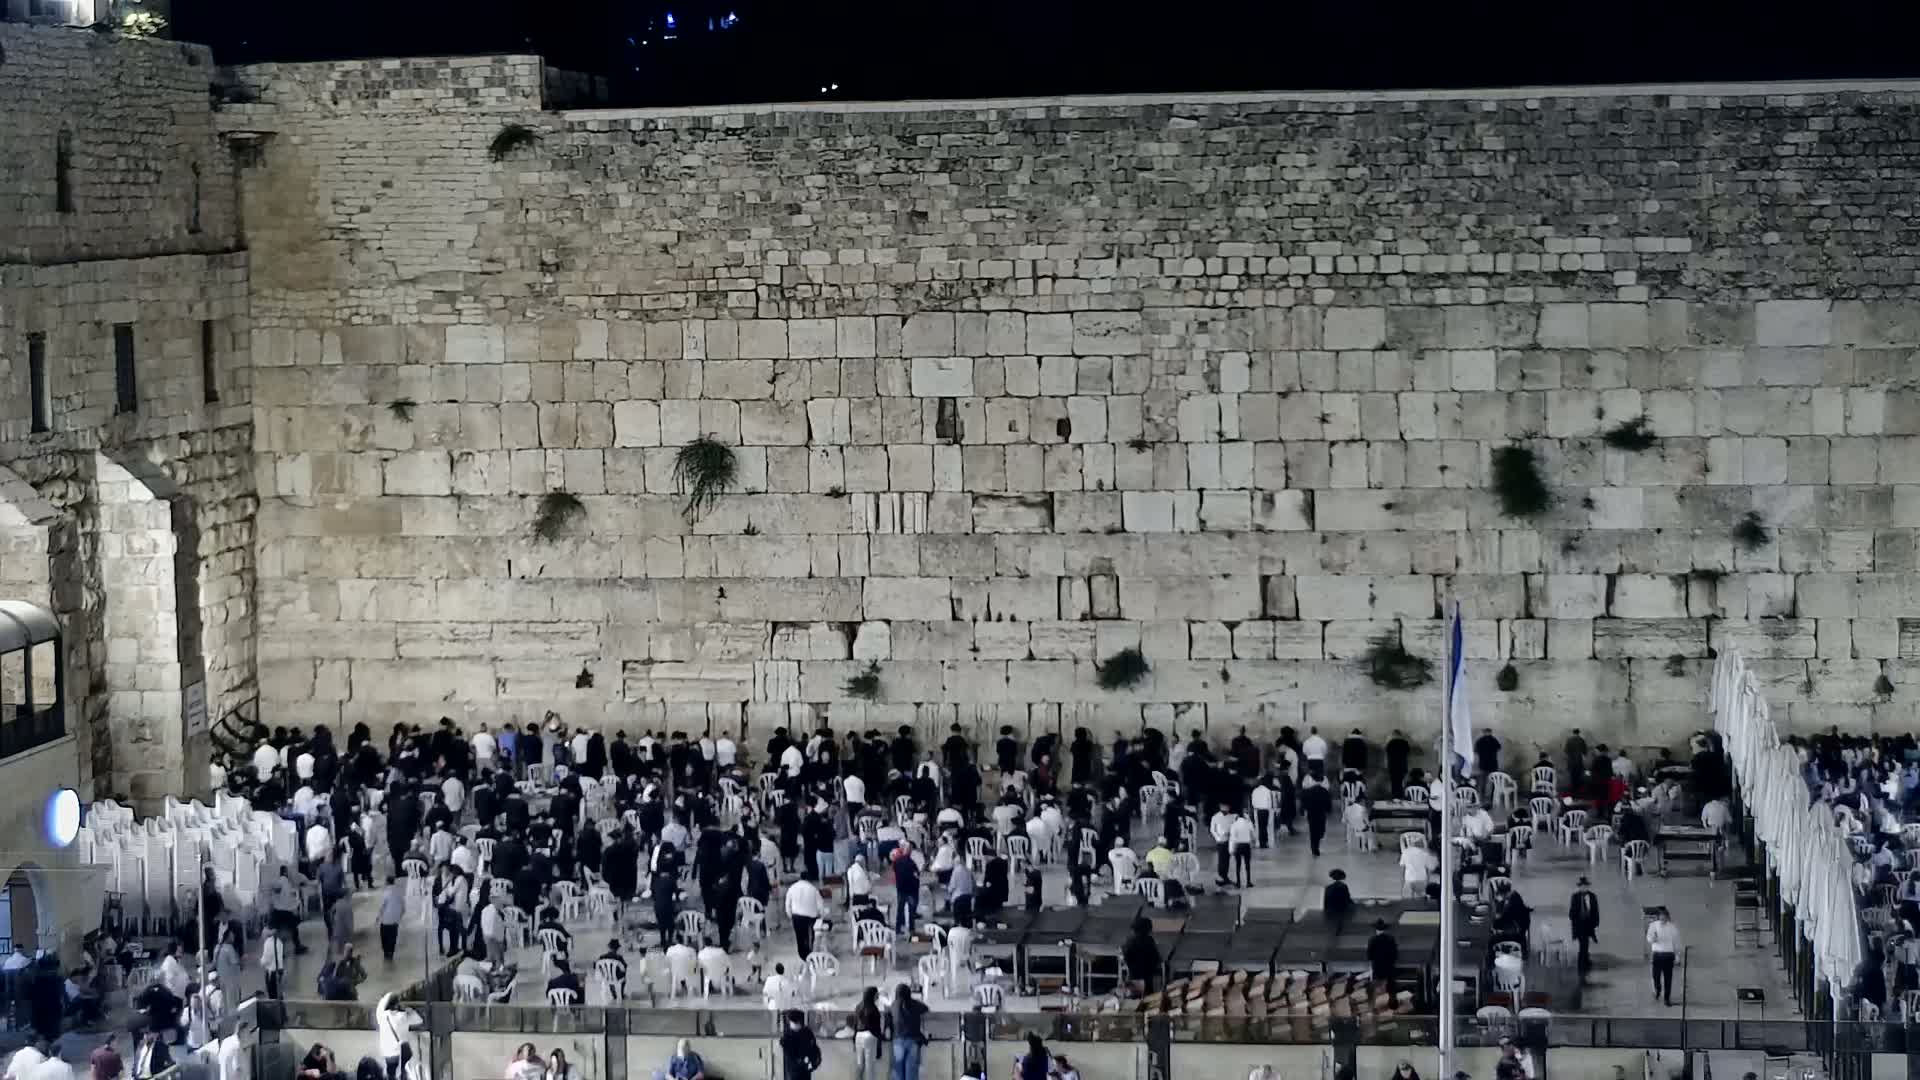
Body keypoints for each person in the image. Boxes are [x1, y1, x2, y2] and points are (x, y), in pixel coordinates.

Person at [886, 982, 927, 1080]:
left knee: (898, 1072)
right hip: (913, 1040)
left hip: (898, 1041)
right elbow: (925, 1008)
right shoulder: (914, 1004)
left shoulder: (894, 1005)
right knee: (911, 1072)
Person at [376, 993, 420, 1080]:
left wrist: (387, 996)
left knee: (391, 1072)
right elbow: (419, 1020)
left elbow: (380, 1006)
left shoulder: (381, 1016)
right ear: (397, 1005)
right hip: (399, 1051)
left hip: (386, 1051)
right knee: (403, 1069)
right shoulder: (402, 1017)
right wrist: (410, 1010)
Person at [848, 987, 885, 1080]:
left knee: (860, 1065)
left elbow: (855, 1025)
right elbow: (877, 1029)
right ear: (872, 995)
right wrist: (879, 1047)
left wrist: (854, 1041)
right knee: (870, 1067)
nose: (878, 996)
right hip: (870, 1036)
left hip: (858, 1036)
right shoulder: (874, 1009)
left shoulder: (858, 1007)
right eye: (877, 994)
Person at [1646, 907, 1679, 1006]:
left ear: (1667, 917)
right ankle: (1658, 989)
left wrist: (1677, 956)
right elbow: (1648, 938)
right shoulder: (1653, 926)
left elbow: (1676, 942)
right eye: (1661, 916)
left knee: (1668, 978)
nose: (1663, 918)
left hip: (1669, 954)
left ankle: (1667, 999)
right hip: (1657, 954)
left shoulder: (1672, 927)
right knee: (1656, 976)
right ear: (1658, 917)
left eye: (1665, 916)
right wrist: (1653, 938)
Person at [1569, 877, 1601, 976]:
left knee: (1586, 944)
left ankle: (1585, 961)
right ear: (1579, 887)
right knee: (1583, 944)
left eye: (1585, 886)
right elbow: (1572, 912)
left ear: (1587, 887)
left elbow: (1595, 911)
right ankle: (1582, 964)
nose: (1583, 888)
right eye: (1582, 886)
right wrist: (1574, 918)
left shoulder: (1592, 896)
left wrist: (1596, 923)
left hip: (1589, 924)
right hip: (1579, 925)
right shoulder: (1575, 897)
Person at [785, 876, 823, 959]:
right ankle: (811, 953)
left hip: (797, 917)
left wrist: (791, 916)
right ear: (807, 879)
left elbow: (787, 905)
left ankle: (803, 956)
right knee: (810, 936)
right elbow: (820, 905)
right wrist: (820, 915)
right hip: (811, 917)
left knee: (800, 938)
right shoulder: (813, 889)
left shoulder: (792, 888)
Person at [1121, 917, 1161, 994]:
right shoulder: (1149, 941)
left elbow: (1126, 956)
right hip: (1147, 975)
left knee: (1135, 996)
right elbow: (1156, 958)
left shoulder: (1130, 941)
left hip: (1134, 974)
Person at [778, 1009, 819, 1080]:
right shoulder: (787, 1037)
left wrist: (814, 1063)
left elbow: (814, 1049)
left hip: (805, 1070)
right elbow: (791, 1056)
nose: (794, 1024)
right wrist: (803, 1061)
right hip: (794, 1072)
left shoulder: (807, 1032)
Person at [1301, 773, 1332, 856]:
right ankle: (1316, 845)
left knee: (1312, 830)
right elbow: (1328, 803)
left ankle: (1314, 847)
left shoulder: (1308, 791)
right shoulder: (1324, 791)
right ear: (1322, 781)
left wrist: (1303, 810)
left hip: (1311, 813)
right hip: (1321, 813)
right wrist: (1328, 810)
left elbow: (1304, 802)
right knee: (1320, 829)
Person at [1367, 919, 1399, 986]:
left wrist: (1371, 963)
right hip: (1388, 966)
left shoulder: (1373, 939)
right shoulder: (1391, 939)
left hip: (1377, 966)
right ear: (1384, 929)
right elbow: (1395, 953)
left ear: (1376, 930)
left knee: (1377, 984)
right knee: (1389, 983)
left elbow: (1369, 954)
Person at [1228, 809, 1255, 886]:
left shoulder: (1234, 824)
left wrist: (1232, 849)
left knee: (1238, 865)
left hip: (1238, 846)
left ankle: (1238, 882)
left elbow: (1232, 838)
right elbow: (1253, 836)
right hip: (1246, 845)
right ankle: (1248, 882)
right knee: (1247, 865)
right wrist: (1252, 842)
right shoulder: (1249, 823)